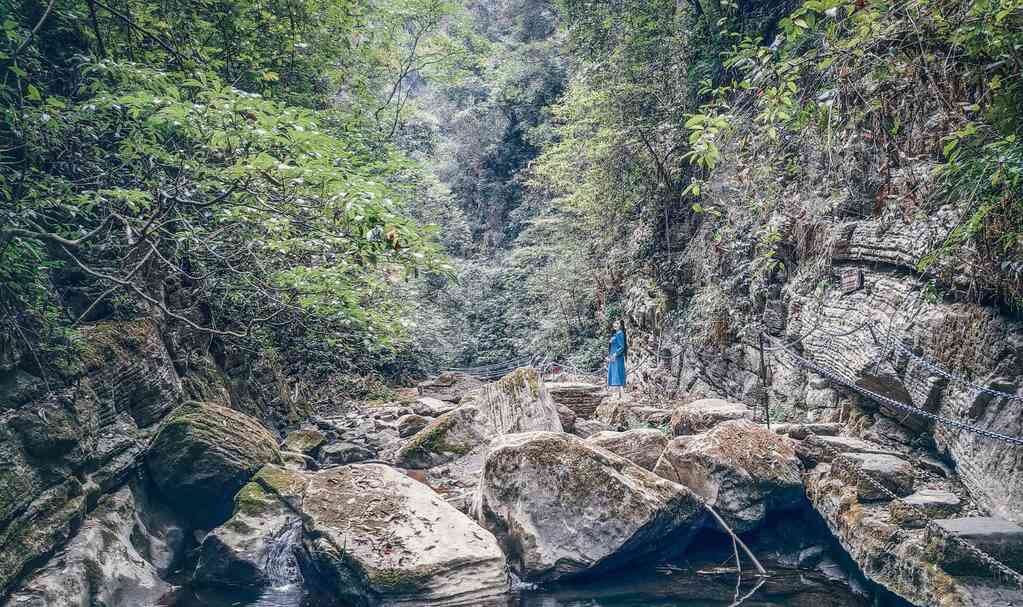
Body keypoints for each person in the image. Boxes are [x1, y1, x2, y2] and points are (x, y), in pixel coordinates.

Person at [607, 320, 627, 397]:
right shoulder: (615, 334)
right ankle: (616, 394)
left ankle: (618, 395)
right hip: (613, 357)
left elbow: (622, 347)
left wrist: (615, 354)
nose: (615, 325)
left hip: (617, 358)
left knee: (617, 374)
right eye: (614, 323)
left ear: (621, 325)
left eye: (617, 323)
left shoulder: (620, 333)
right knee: (614, 374)